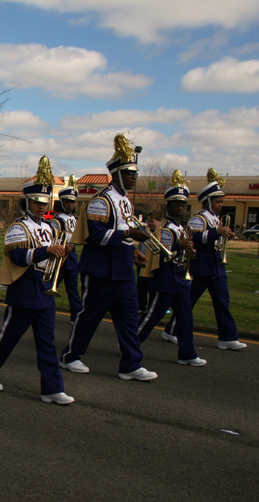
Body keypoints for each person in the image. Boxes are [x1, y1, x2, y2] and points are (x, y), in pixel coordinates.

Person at [59, 134, 158, 381]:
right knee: (89, 316)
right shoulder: (101, 201)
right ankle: (71, 356)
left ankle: (131, 364)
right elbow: (95, 235)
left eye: (135, 173)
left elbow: (122, 234)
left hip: (123, 270)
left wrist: (133, 250)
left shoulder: (125, 201)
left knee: (128, 319)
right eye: (129, 173)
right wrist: (129, 234)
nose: (134, 177)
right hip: (101, 270)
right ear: (116, 174)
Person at [0, 157, 74, 405]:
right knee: (9, 337)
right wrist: (47, 251)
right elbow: (18, 257)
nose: (41, 206)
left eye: (45, 202)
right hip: (24, 288)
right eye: (37, 202)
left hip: (44, 289)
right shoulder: (18, 228)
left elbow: (51, 257)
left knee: (47, 343)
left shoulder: (51, 228)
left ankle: (52, 388)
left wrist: (62, 252)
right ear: (27, 202)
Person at [163, 168, 246, 350]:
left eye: (221, 202)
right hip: (201, 267)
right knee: (188, 302)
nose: (220, 205)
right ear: (208, 201)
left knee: (223, 302)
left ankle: (227, 337)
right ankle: (172, 330)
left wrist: (225, 234)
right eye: (217, 202)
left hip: (216, 267)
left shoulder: (216, 219)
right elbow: (194, 238)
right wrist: (217, 232)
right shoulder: (199, 219)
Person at [136, 172, 206, 366]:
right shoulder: (166, 228)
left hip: (180, 278)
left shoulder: (180, 227)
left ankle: (187, 354)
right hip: (166, 278)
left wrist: (190, 252)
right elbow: (161, 252)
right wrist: (179, 247)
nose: (181, 208)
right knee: (152, 317)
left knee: (186, 319)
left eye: (183, 205)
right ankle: (130, 342)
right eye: (177, 205)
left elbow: (181, 252)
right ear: (168, 206)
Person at [49, 175, 81, 324]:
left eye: (72, 202)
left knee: (73, 289)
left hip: (71, 258)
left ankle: (76, 316)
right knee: (50, 285)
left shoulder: (74, 219)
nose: (70, 205)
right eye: (67, 202)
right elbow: (53, 238)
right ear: (62, 202)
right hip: (60, 257)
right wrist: (63, 246)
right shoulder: (58, 219)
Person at [136, 212, 161, 313]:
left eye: (152, 221)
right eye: (148, 221)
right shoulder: (145, 233)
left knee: (152, 288)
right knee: (141, 288)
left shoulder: (160, 234)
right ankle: (141, 307)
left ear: (159, 222)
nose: (149, 223)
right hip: (142, 263)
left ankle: (151, 309)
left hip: (152, 265)